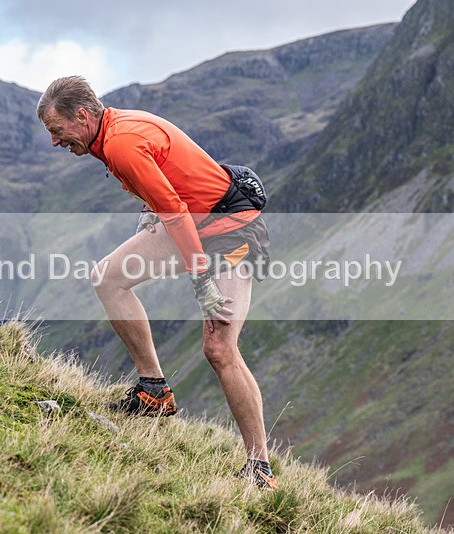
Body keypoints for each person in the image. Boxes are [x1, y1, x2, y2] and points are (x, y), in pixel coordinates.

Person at [36, 75, 276, 490]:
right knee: (108, 278)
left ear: (81, 116)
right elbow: (168, 184)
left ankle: (260, 468)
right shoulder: (109, 130)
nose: (56, 143)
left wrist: (201, 278)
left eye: (57, 132)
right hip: (195, 217)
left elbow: (176, 212)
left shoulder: (121, 142)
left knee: (219, 348)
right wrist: (150, 209)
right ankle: (153, 391)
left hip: (232, 229)